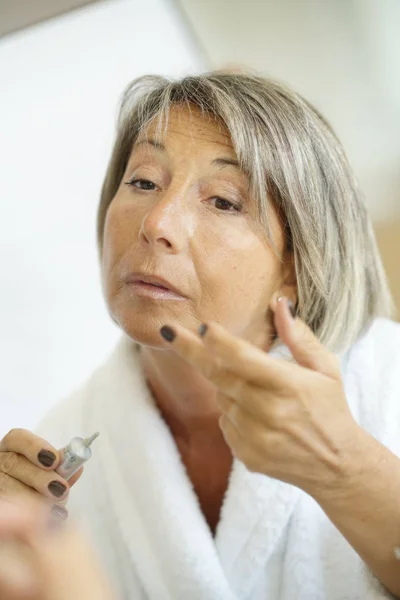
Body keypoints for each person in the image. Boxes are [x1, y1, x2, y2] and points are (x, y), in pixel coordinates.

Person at [1, 71, 400, 600]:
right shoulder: (61, 443)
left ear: (297, 265)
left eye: (224, 201)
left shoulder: (388, 386)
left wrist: (348, 469)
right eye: (143, 181)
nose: (157, 222)